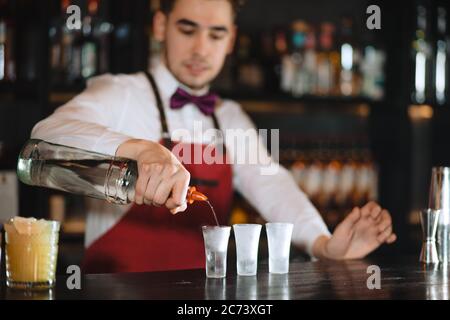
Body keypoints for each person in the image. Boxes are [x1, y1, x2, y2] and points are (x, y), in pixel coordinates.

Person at [31, 0, 396, 273]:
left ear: (232, 39)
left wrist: (325, 244)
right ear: (160, 26)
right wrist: (140, 149)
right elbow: (45, 134)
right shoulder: (121, 93)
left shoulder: (229, 117)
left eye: (216, 34)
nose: (201, 49)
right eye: (187, 30)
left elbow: (275, 188)